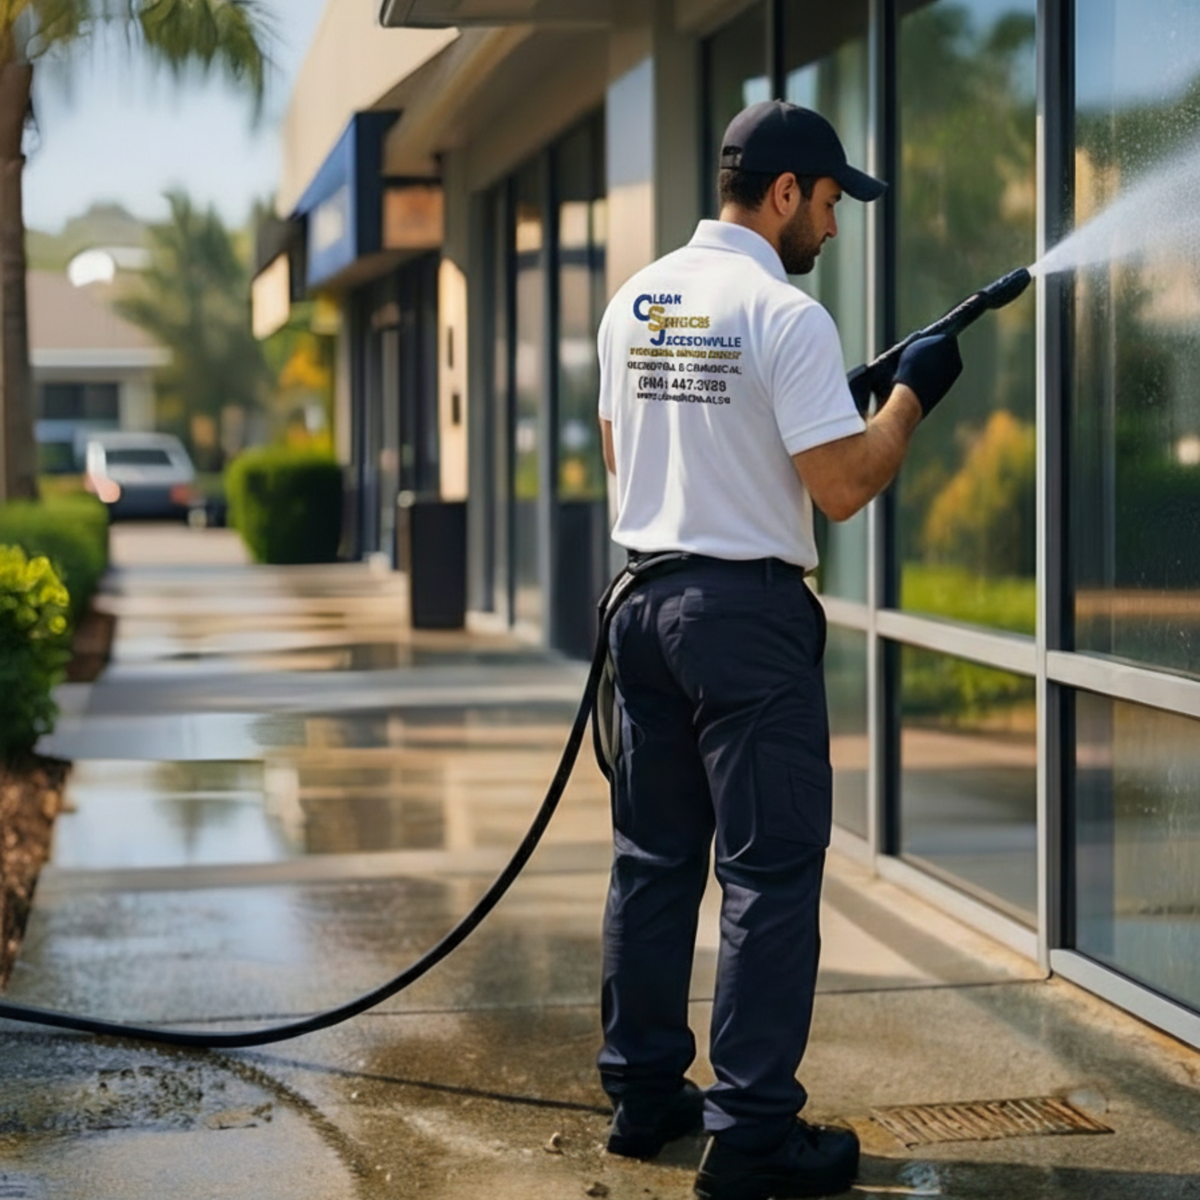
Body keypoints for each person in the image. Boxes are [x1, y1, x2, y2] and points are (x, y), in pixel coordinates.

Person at [594, 100, 964, 1200]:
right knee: (767, 874)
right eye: (832, 202)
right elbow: (846, 487)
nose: (836, 229)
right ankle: (752, 1135)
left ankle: (644, 1094)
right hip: (744, 628)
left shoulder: (637, 298)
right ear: (788, 191)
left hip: (643, 609)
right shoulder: (785, 314)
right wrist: (909, 399)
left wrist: (797, 417)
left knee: (654, 863)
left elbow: (633, 458)